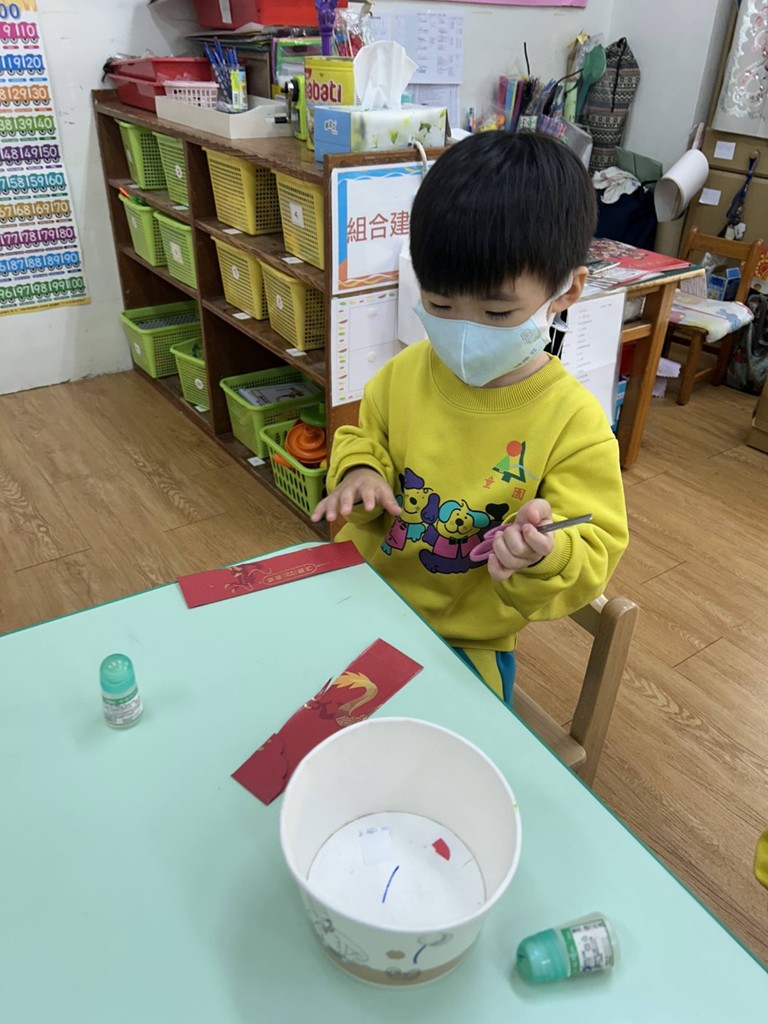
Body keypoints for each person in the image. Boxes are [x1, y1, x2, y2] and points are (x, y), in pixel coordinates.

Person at [312, 131, 629, 705]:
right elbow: (363, 436)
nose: (463, 330)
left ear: (567, 291)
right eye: (439, 305)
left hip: (466, 641)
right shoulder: (404, 375)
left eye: (497, 311)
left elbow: (595, 544)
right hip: (366, 598)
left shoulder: (574, 423)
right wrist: (360, 472)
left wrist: (545, 553)